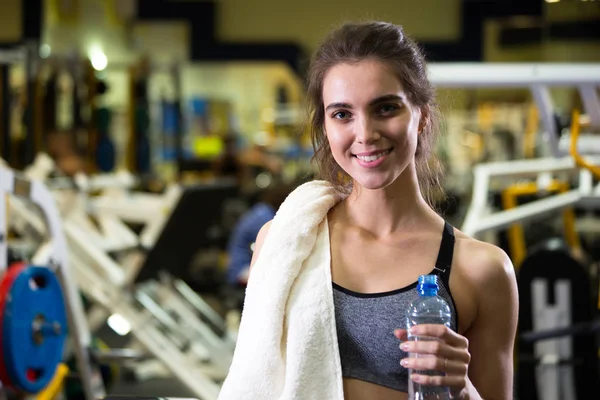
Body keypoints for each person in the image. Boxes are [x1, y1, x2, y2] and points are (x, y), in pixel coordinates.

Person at [236, 21, 519, 400]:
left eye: (385, 108)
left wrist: (462, 389)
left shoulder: (480, 270)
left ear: (423, 116)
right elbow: (255, 375)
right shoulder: (286, 241)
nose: (365, 133)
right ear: (324, 126)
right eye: (342, 114)